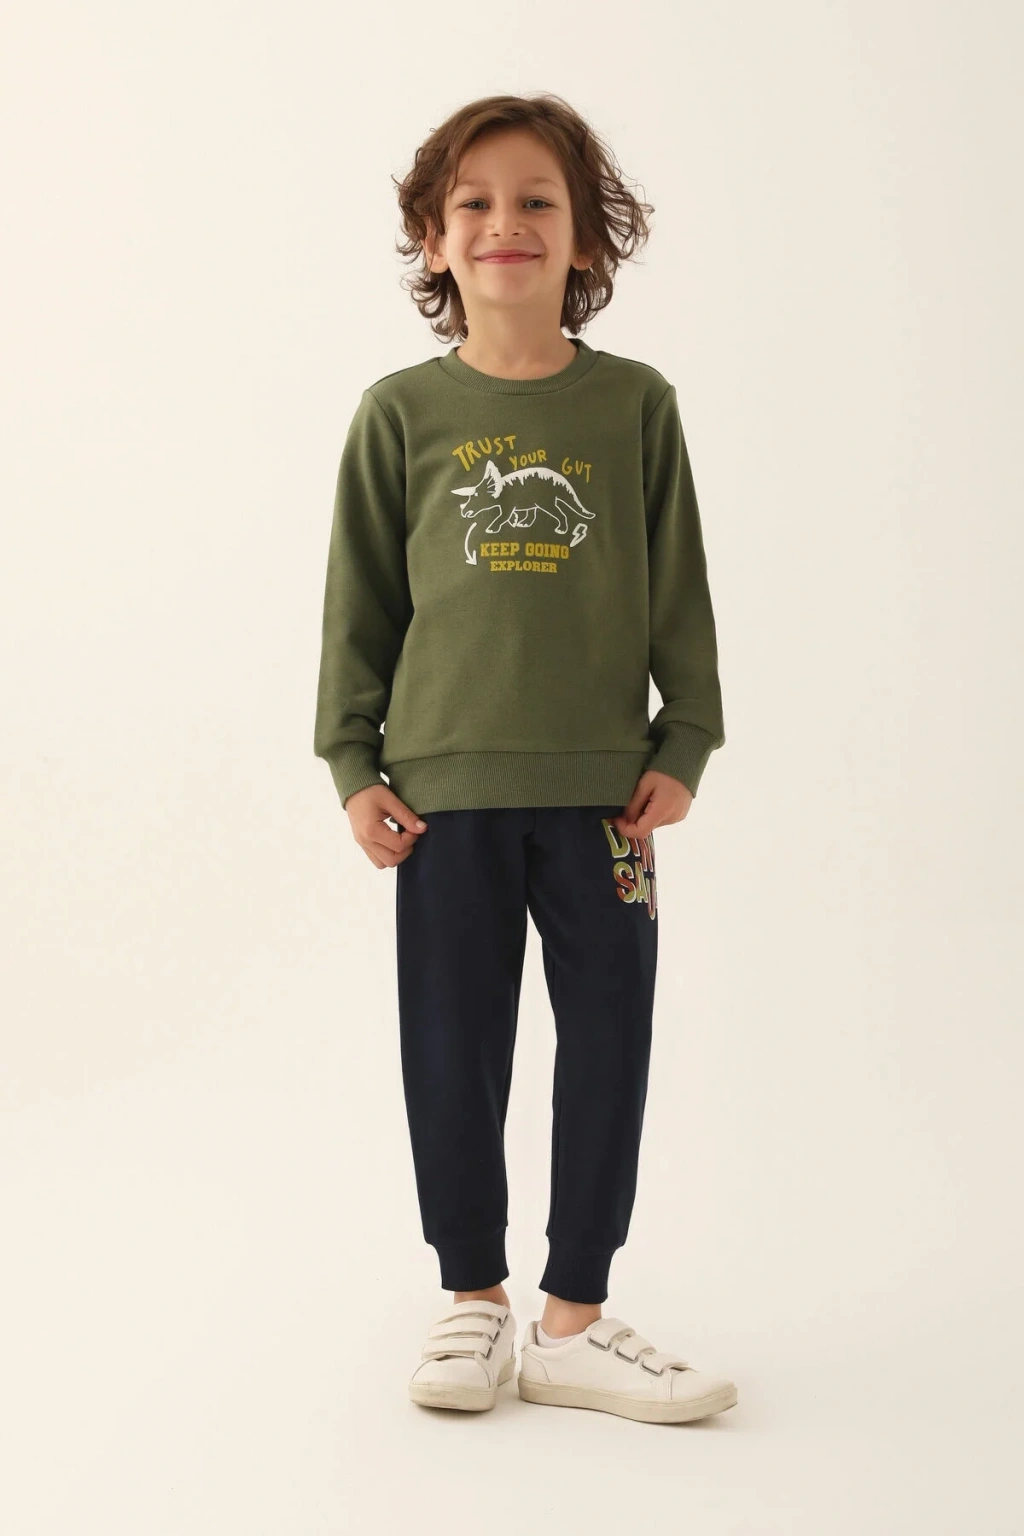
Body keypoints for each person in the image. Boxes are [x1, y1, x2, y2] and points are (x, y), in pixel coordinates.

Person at [313, 92, 737, 1424]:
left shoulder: (635, 407)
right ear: (435, 241)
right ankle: (472, 1299)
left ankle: (574, 1318)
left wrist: (689, 734)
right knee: (453, 1044)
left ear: (587, 240)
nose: (507, 223)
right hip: (442, 799)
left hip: (609, 798)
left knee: (609, 1039)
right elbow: (360, 603)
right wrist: (353, 760)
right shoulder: (400, 415)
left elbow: (679, 588)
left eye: (537, 200)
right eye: (475, 204)